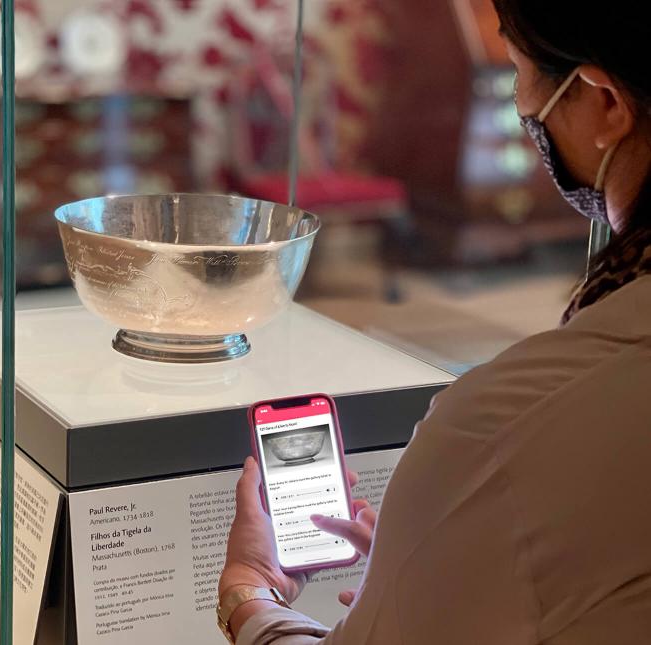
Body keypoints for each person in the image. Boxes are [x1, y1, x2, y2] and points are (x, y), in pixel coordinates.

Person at [218, 1, 651, 643]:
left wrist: (248, 594)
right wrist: (439, 556)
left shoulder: (499, 429)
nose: (520, 103)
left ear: (606, 104)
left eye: (516, 68)